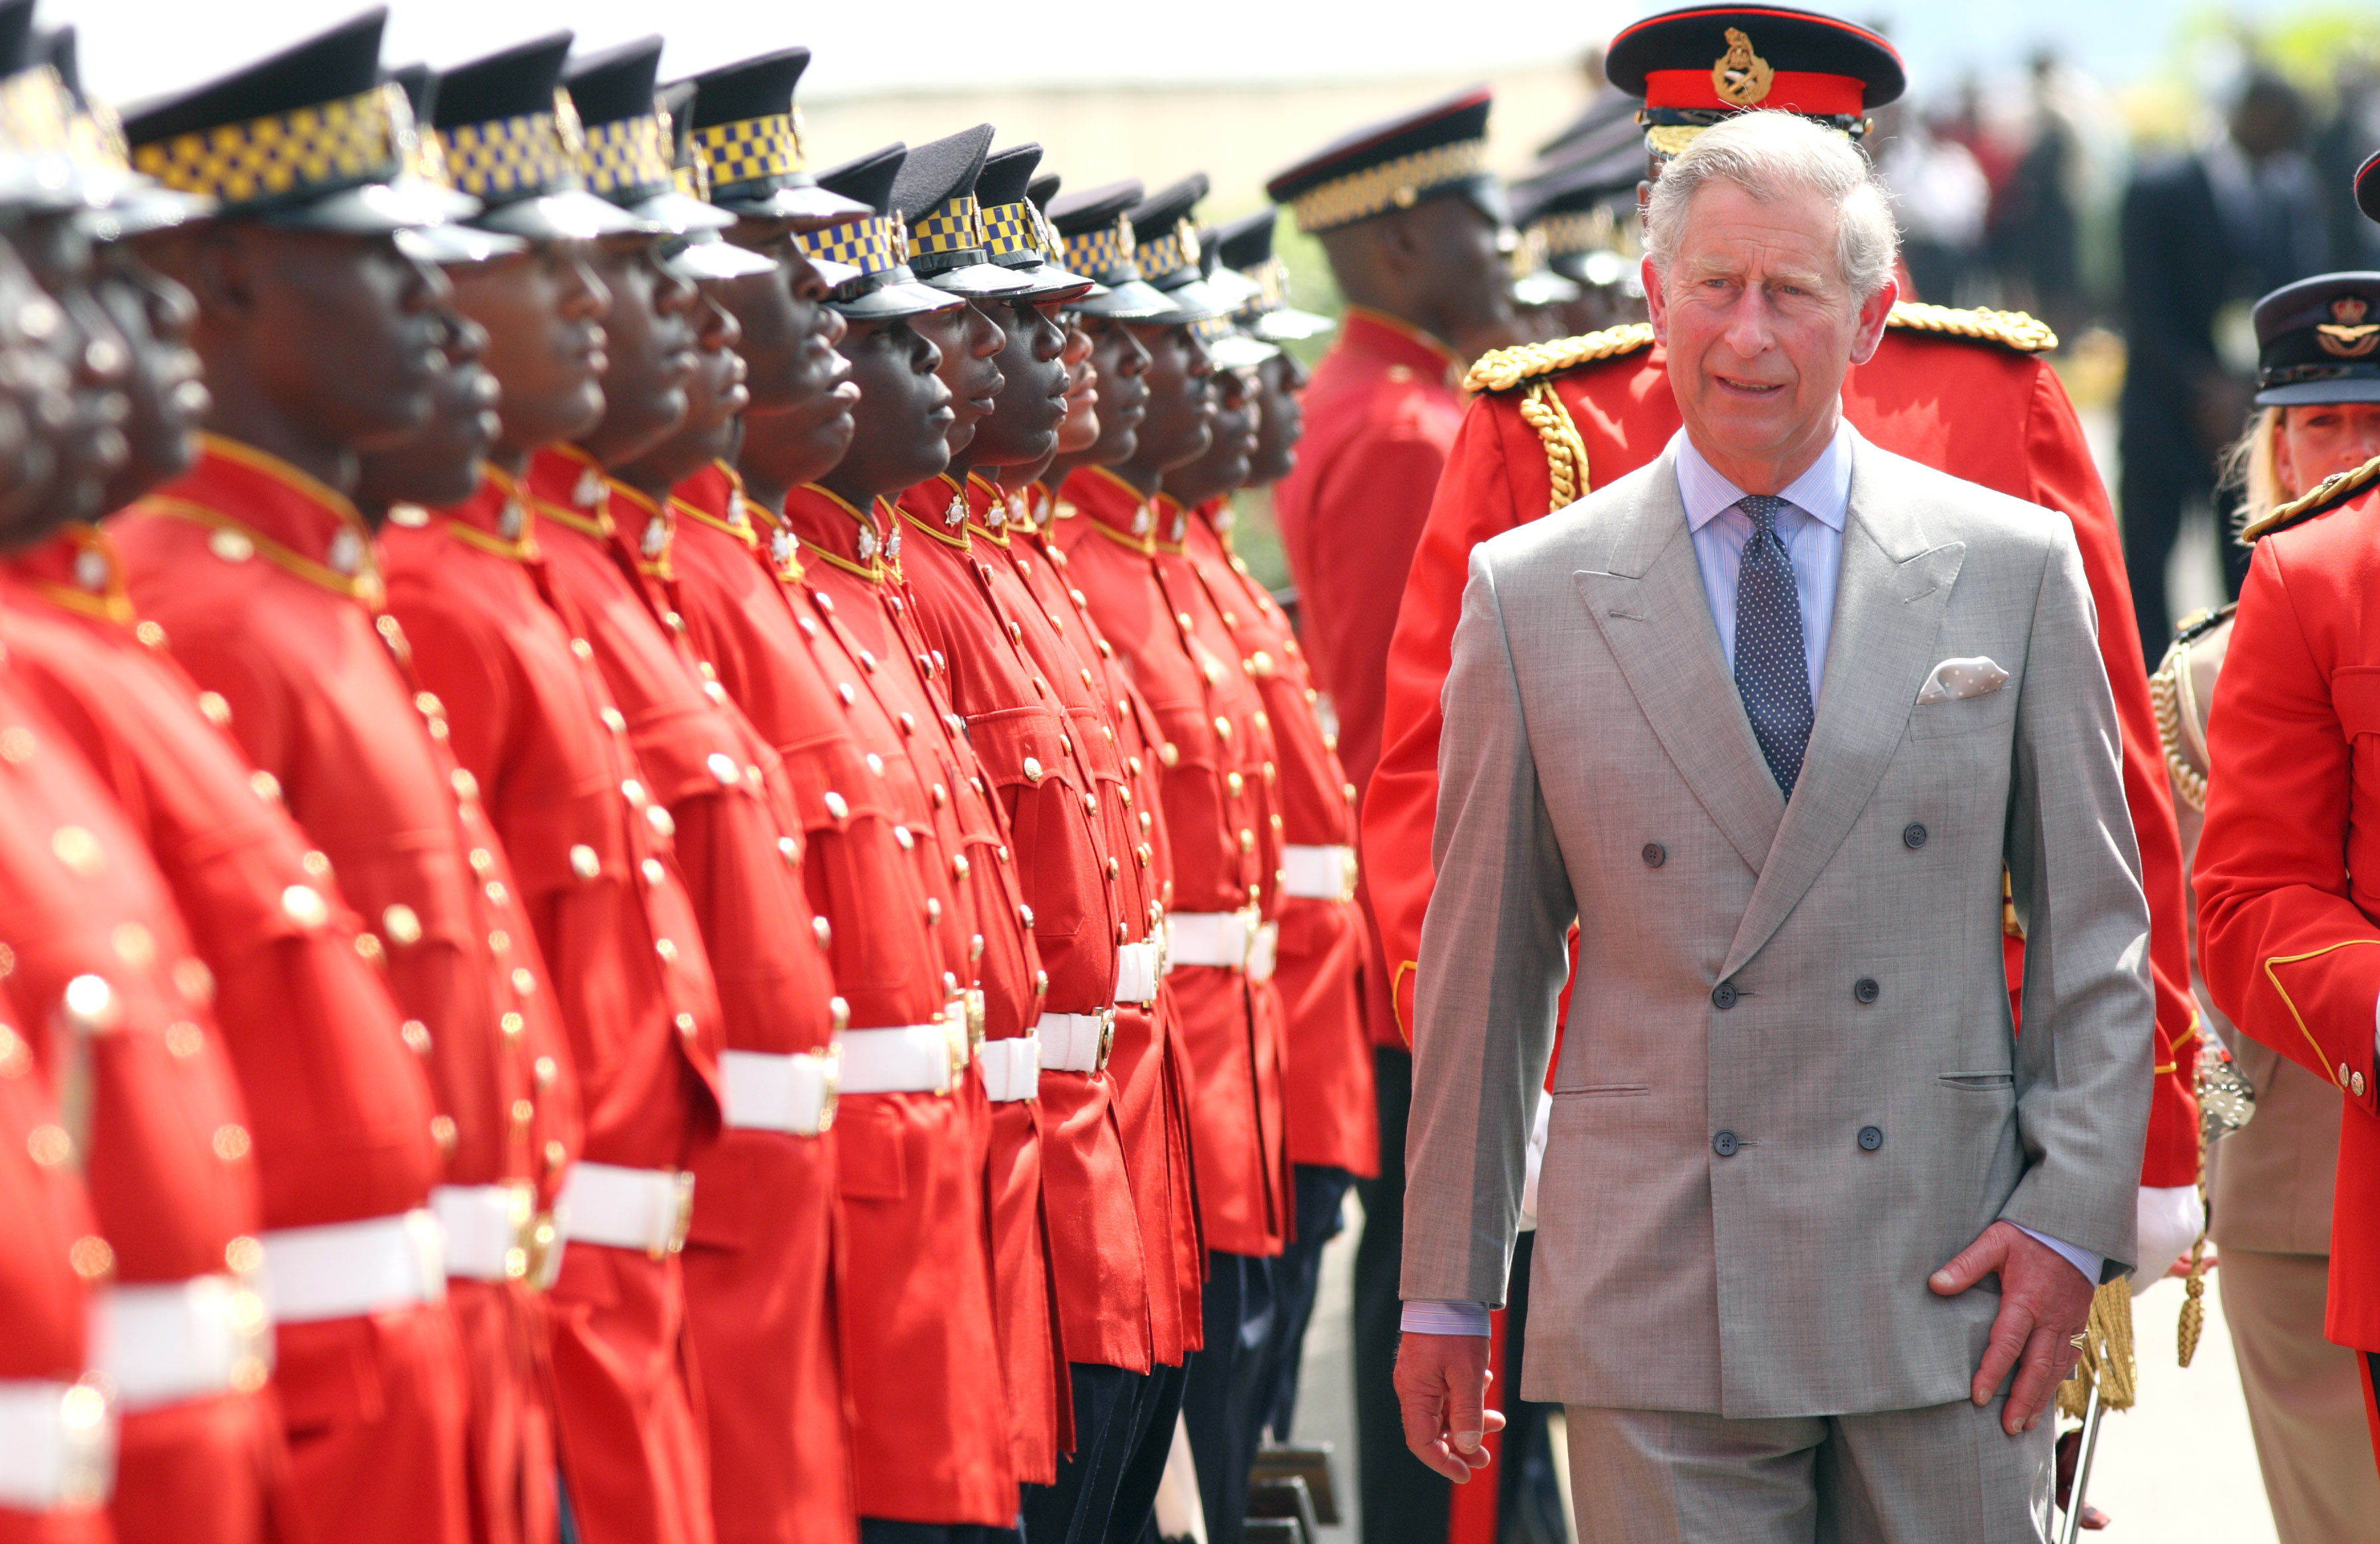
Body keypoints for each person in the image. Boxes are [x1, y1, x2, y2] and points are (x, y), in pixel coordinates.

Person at [1360, 25, 2209, 1468]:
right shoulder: (1542, 437)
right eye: (1711, 264)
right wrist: (1536, 1171)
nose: (1749, 330)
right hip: (1664, 1189)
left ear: (1866, 290)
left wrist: (2107, 1178)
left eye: (1795, 276)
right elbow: (1449, 865)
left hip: (1946, 1179)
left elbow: (2106, 824)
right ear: (1657, 256)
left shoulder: (1992, 407)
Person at [109, 19, 551, 1542]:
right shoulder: (208, 611)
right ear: (229, 280)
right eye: (385, 266)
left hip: (455, 1378)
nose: (444, 312)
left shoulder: (319, 593)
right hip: (319, 1428)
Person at [775, 141, 1041, 1544]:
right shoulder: (784, 584)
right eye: (901, 338)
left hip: (986, 1174)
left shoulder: (850, 580)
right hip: (854, 1231)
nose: (956, 368)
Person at [2154, 269, 2380, 1544]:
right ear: (2268, 446)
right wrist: (2214, 1133)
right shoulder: (2198, 668)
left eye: (2369, 424)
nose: (2342, 452)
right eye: (2317, 426)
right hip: (2295, 1166)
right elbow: (2199, 938)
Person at [2119, 68, 2328, 651]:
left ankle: (2238, 687)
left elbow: (2299, 296)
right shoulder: (2159, 186)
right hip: (2165, 406)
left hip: (2247, 412)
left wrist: (2255, 387)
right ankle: (2153, 700)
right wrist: (2201, 386)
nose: (2290, 141)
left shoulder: (2290, 192)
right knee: (2148, 568)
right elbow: (2144, 302)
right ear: (2253, 111)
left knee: (2245, 564)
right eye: (2284, 126)